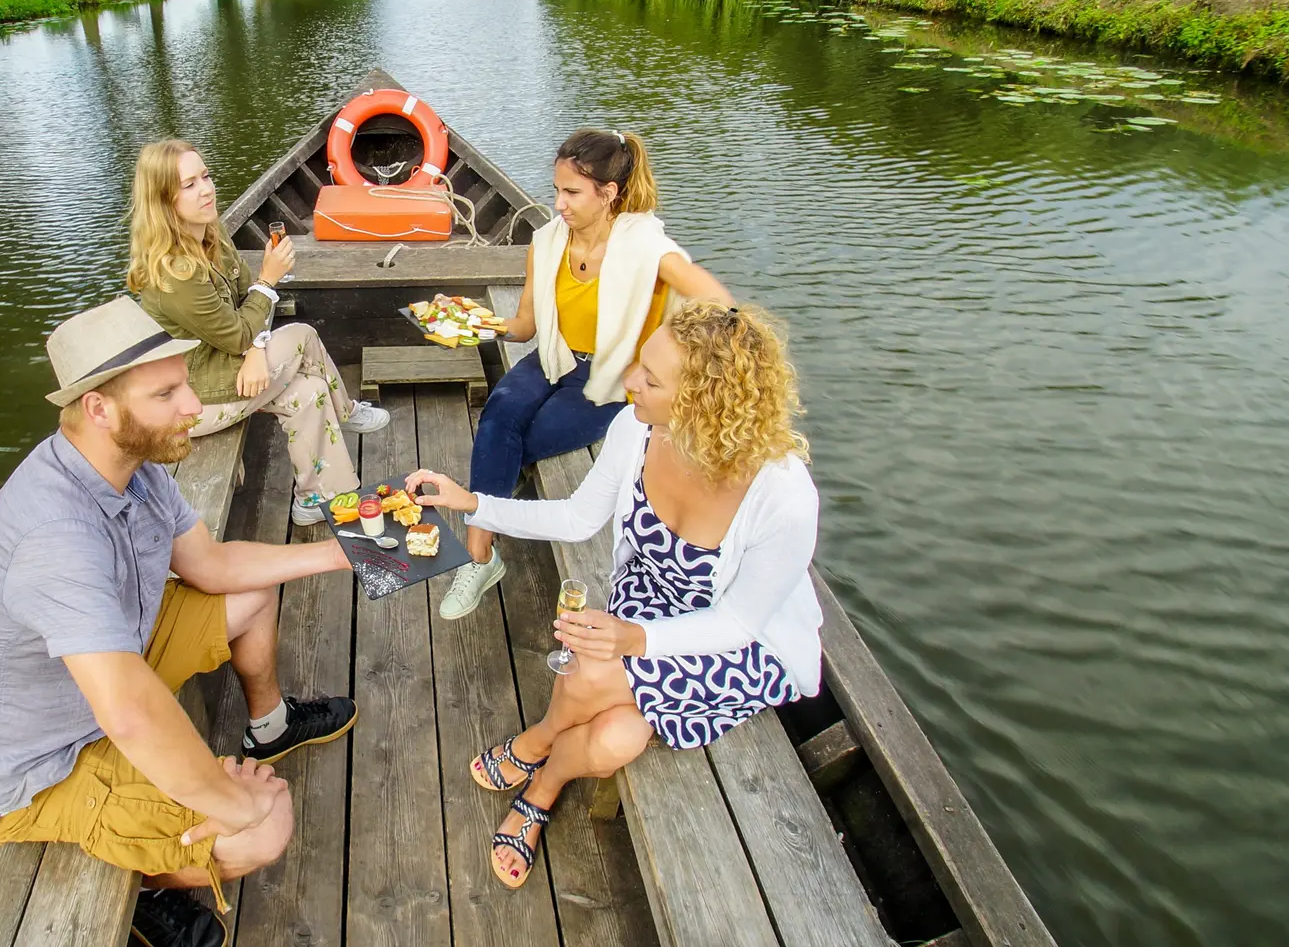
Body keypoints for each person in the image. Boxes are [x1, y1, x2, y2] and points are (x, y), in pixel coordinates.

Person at [0, 295, 360, 945]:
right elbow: (128, 713)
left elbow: (211, 566)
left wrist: (341, 551)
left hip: (106, 668)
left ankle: (270, 729)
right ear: (99, 409)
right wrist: (237, 801)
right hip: (44, 761)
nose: (192, 404)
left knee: (253, 596)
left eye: (185, 383)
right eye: (167, 393)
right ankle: (149, 887)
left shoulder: (132, 466)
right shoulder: (55, 533)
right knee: (266, 827)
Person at [406, 299, 821, 890]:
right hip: (654, 596)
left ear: (705, 401)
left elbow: (740, 621)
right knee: (614, 739)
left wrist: (634, 638)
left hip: (740, 643)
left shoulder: (783, 495)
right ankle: (544, 789)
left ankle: (535, 752)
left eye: (650, 378)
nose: (628, 381)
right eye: (637, 364)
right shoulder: (636, 429)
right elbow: (578, 518)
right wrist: (472, 502)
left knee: (590, 675)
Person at [438, 128, 735, 621]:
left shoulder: (646, 247)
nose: (559, 205)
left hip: (612, 379)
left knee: (521, 439)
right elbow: (526, 326)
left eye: (572, 193)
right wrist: (474, 323)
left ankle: (483, 518)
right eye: (556, 190)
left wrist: (661, 358)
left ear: (609, 193)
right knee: (499, 415)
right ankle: (480, 559)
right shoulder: (548, 242)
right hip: (555, 356)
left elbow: (720, 305)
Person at [129, 139, 390, 527]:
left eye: (206, 176)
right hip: (190, 399)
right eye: (188, 185)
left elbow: (247, 303)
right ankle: (346, 410)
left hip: (227, 364)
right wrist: (269, 281)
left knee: (309, 392)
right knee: (301, 334)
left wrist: (256, 346)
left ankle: (315, 500)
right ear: (163, 201)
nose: (206, 189)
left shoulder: (209, 235)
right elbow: (252, 307)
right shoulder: (174, 272)